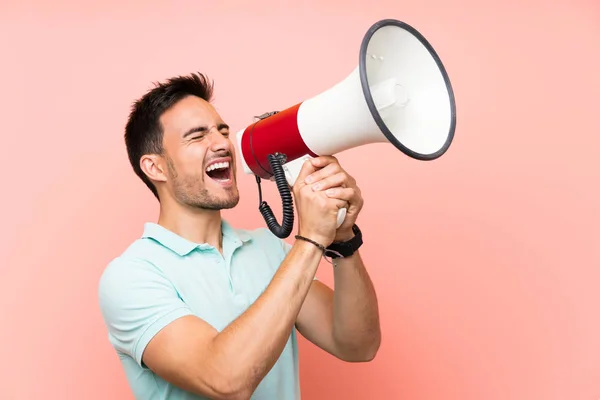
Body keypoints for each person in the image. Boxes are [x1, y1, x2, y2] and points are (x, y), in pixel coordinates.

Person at [98, 72, 381, 400]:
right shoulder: (132, 276)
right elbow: (224, 380)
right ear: (155, 168)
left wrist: (343, 241)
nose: (222, 143)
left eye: (221, 130)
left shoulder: (268, 249)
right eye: (197, 135)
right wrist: (312, 239)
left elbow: (357, 344)